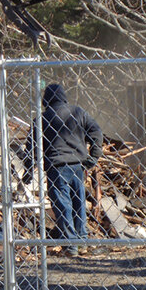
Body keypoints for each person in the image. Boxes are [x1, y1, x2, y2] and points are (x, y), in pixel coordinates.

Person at [24, 83, 103, 257]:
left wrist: (28, 169)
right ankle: (81, 240)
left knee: (62, 206)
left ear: (46, 99)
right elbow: (96, 131)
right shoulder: (78, 112)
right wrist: (94, 156)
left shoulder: (42, 119)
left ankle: (71, 245)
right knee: (78, 202)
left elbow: (31, 147)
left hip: (56, 167)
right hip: (77, 166)